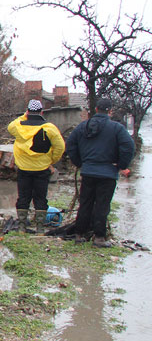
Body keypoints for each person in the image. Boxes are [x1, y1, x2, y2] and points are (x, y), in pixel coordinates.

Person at [66, 98, 135, 247]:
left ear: (96, 109)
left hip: (88, 171)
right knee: (102, 205)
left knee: (85, 203)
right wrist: (121, 165)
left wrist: (80, 162)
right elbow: (129, 147)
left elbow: (70, 144)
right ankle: (99, 238)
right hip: (108, 173)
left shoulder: (82, 127)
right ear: (110, 111)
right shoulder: (117, 128)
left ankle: (79, 235)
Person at [8, 99, 66, 232]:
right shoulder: (49, 128)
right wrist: (51, 160)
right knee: (40, 198)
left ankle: (22, 227)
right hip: (42, 169)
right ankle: (40, 228)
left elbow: (10, 126)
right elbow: (60, 147)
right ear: (42, 112)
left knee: (23, 197)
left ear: (27, 111)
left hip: (24, 169)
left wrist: (24, 115)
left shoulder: (19, 126)